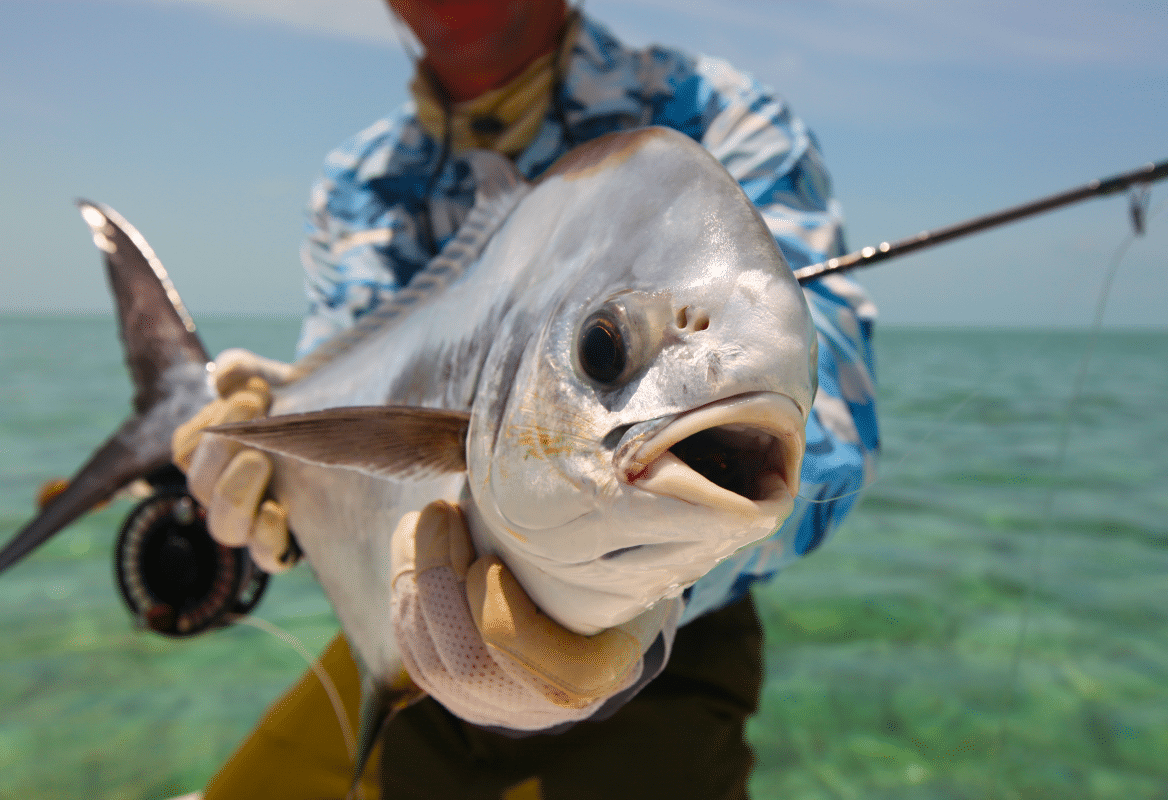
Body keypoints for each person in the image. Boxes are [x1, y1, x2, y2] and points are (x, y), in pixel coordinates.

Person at [172, 1, 879, 797]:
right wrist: (274, 459)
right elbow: (355, 418)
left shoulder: (725, 118)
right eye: (606, 351)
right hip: (418, 643)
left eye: (600, 351)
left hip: (677, 680)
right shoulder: (358, 186)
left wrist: (645, 597)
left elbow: (831, 426)